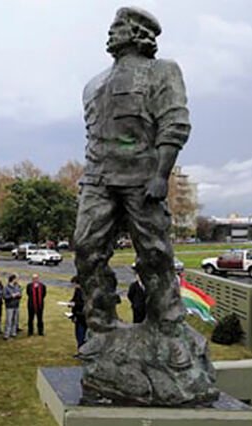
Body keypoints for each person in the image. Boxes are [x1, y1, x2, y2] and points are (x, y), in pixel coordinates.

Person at [74, 6, 190, 333]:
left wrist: (161, 175)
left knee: (155, 253)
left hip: (142, 178)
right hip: (97, 179)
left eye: (118, 26)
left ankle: (166, 322)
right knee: (85, 248)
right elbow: (92, 135)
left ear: (138, 33)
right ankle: (102, 324)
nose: (111, 32)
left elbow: (174, 122)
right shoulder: (94, 84)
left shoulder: (161, 71)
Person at [69, 276, 87, 349]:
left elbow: (84, 304)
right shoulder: (77, 291)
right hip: (77, 315)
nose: (73, 286)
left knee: (81, 335)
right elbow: (74, 299)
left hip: (82, 317)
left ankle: (82, 351)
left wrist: (75, 304)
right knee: (78, 335)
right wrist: (70, 303)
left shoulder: (84, 292)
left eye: (74, 284)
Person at [3, 275, 22, 339]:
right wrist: (11, 296)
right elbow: (5, 296)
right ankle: (6, 334)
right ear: (13, 279)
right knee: (9, 321)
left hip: (16, 305)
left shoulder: (17, 286)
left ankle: (13, 333)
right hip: (9, 306)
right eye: (16, 279)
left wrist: (19, 295)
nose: (17, 280)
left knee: (15, 320)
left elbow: (20, 293)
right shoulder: (6, 287)